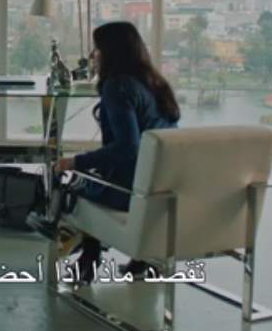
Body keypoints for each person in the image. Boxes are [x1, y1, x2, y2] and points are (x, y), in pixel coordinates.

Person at [29, 21, 180, 280]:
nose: (93, 55)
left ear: (111, 53)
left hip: (132, 192)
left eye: (97, 49)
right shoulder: (155, 83)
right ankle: (132, 261)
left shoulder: (117, 87)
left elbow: (127, 147)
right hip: (165, 189)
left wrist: (74, 162)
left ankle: (83, 252)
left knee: (69, 183)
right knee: (92, 175)